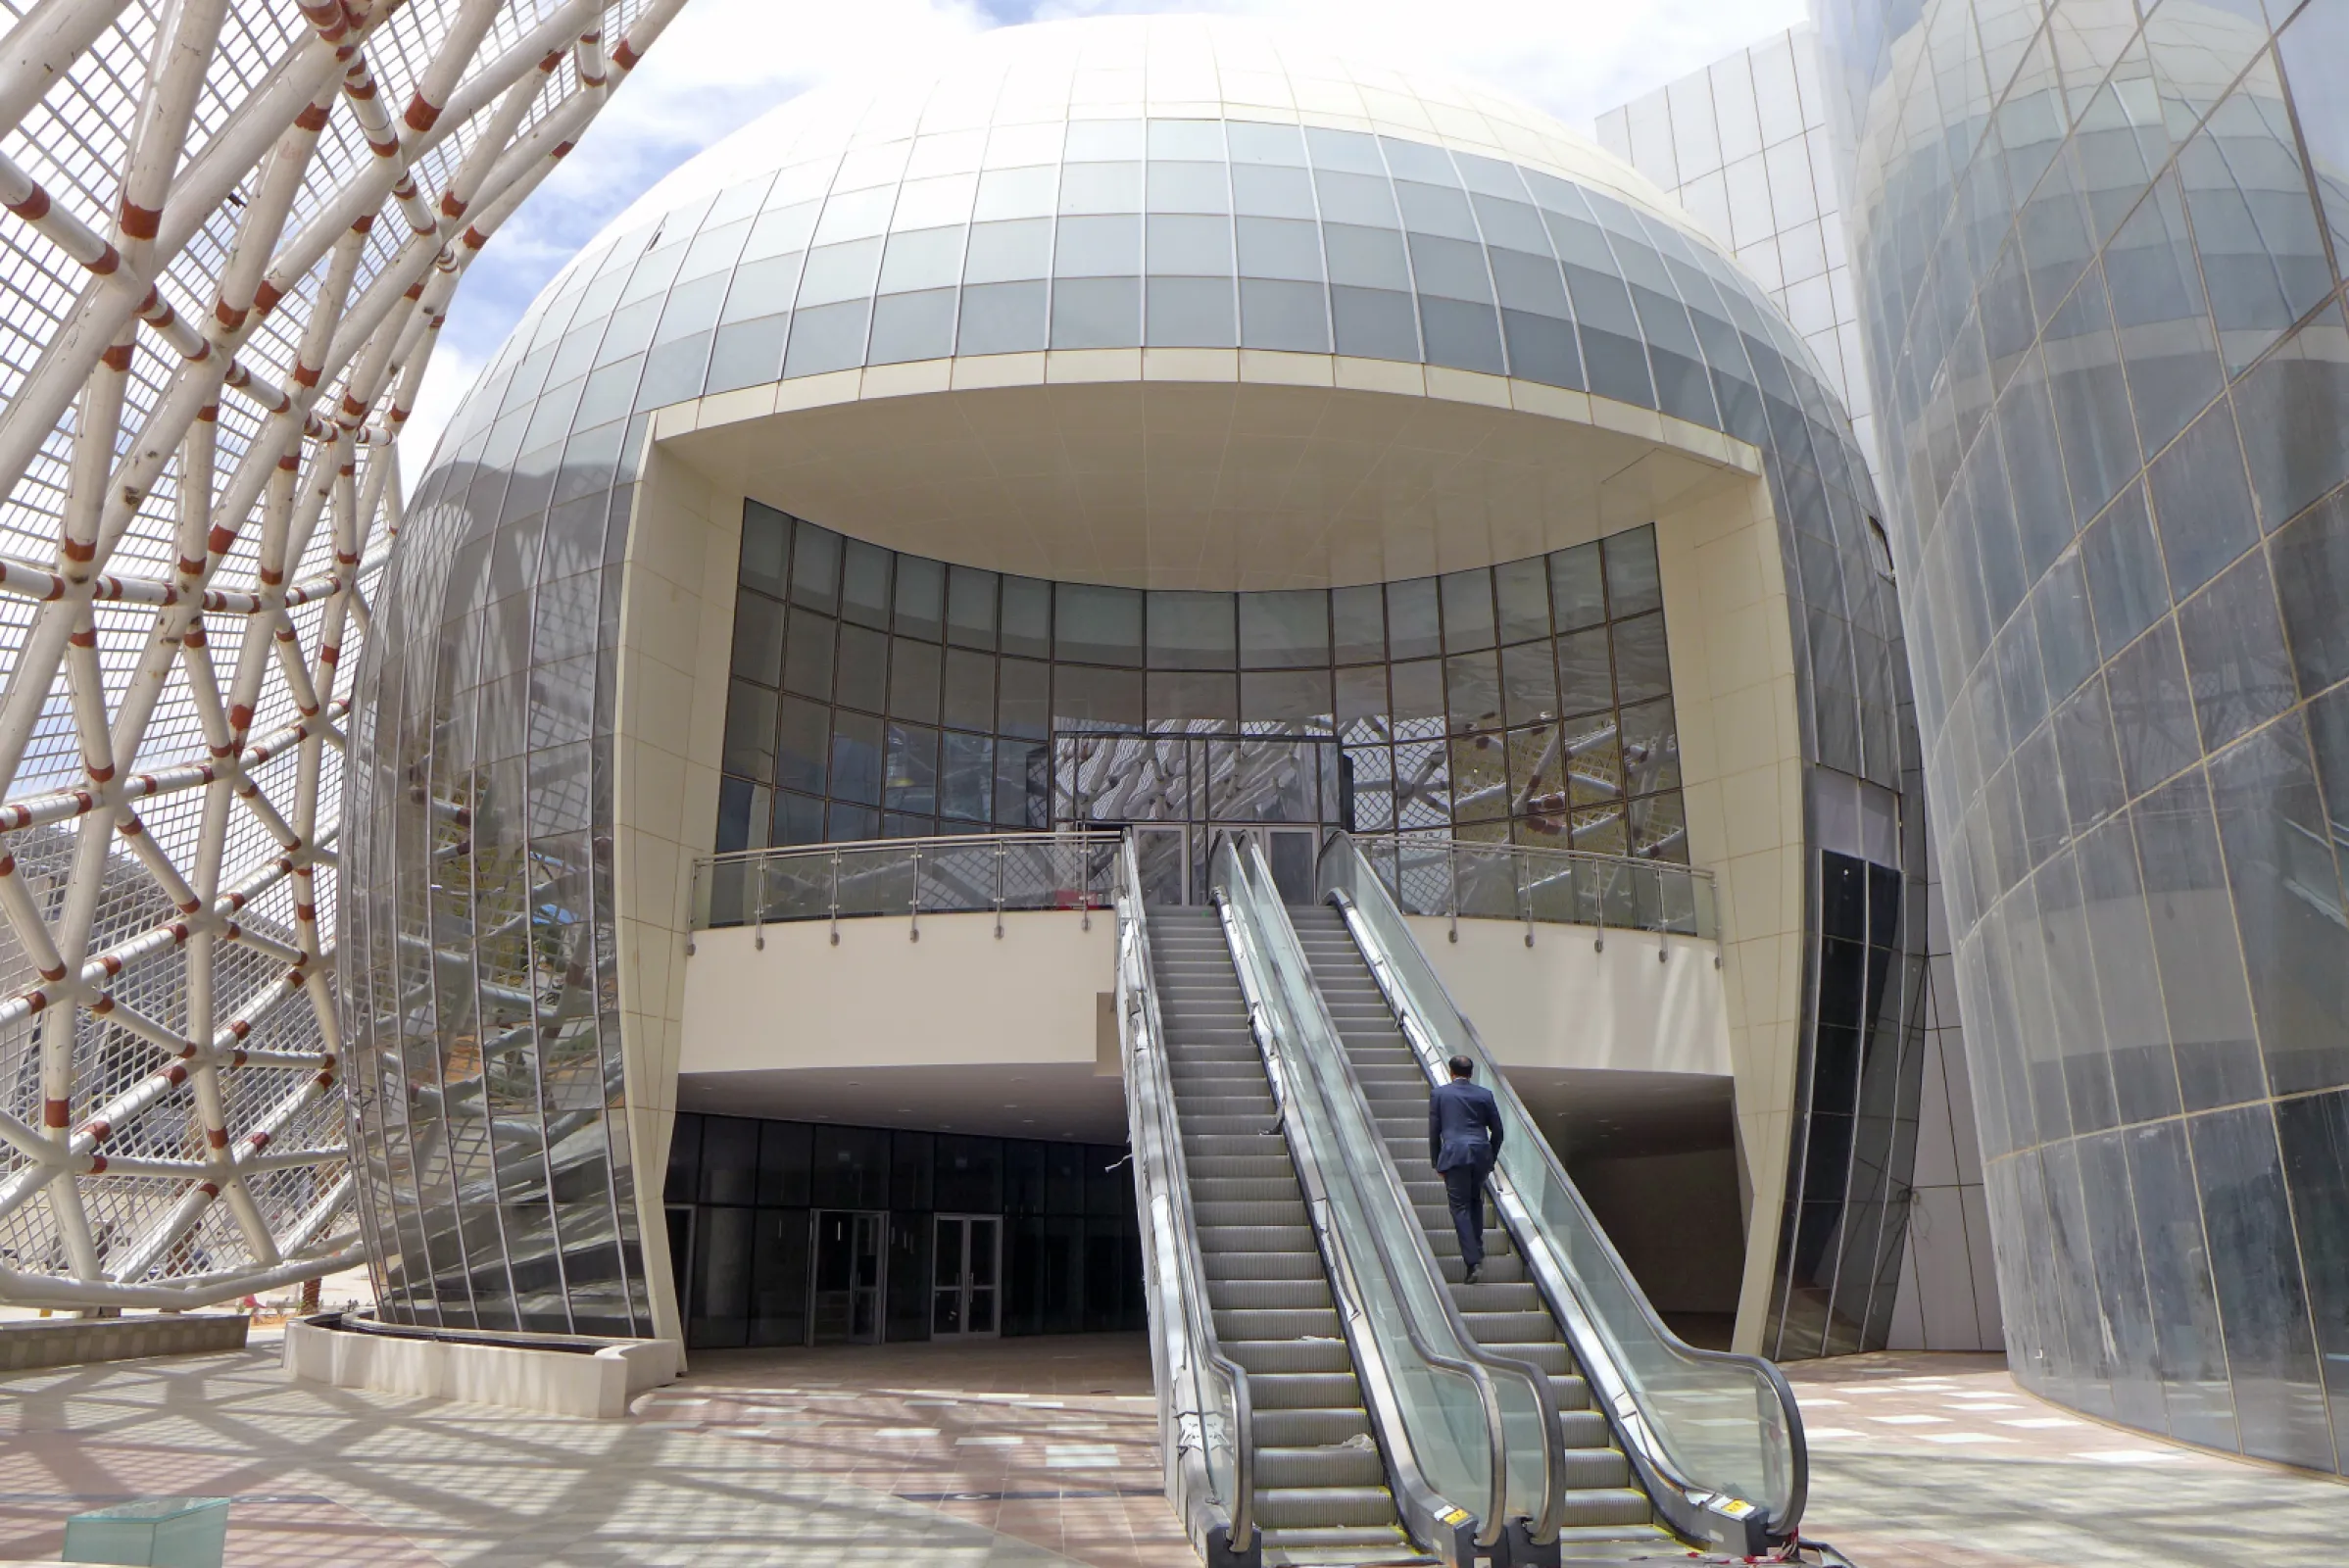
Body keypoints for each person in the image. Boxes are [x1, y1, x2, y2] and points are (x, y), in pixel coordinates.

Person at [1428, 1054, 1503, 1283]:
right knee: (1474, 1201)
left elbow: (1434, 1131)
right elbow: (1498, 1131)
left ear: (1451, 1071)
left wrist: (1437, 1162)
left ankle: (1473, 1262)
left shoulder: (1439, 1094)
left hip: (1455, 1156)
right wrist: (1490, 1157)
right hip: (1480, 1155)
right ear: (1471, 1073)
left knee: (1460, 1207)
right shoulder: (1485, 1095)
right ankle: (1477, 1248)